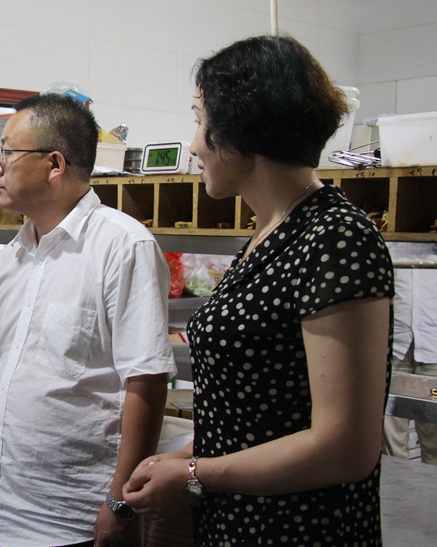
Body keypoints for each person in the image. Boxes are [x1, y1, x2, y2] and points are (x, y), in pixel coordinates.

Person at [122, 35, 395, 546]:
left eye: (200, 121)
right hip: (235, 522)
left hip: (297, 530)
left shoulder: (335, 237)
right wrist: (184, 459)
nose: (195, 145)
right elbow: (263, 414)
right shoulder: (268, 233)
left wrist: (195, 475)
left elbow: (345, 447)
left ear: (242, 130)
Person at [0, 93, 176, 546]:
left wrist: (120, 501)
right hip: (3, 506)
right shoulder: (15, 251)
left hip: (72, 515)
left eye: (7, 152)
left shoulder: (122, 246)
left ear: (54, 164)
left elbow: (147, 381)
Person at [383, 268, 437, 464]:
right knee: (391, 432)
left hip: (433, 351)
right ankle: (396, 480)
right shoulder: (391, 249)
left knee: (434, 432)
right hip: (394, 347)